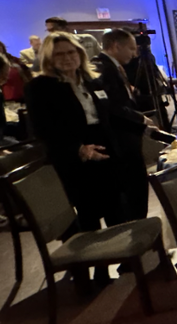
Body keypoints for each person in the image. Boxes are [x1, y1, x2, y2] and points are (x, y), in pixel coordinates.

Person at [26, 33, 124, 288]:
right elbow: (43, 130)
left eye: (71, 52)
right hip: (73, 155)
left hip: (104, 147)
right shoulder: (41, 87)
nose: (67, 58)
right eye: (60, 54)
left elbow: (107, 115)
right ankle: (92, 271)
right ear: (48, 58)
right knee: (88, 215)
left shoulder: (91, 80)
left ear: (80, 54)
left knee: (115, 208)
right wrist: (79, 149)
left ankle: (123, 259)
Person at [92, 28, 154, 222]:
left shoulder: (114, 67)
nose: (134, 54)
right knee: (132, 192)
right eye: (130, 48)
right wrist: (140, 119)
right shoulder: (102, 68)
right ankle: (136, 237)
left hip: (127, 138)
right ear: (116, 46)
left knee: (136, 190)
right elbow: (111, 107)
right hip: (120, 142)